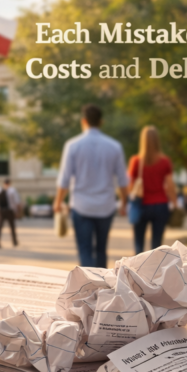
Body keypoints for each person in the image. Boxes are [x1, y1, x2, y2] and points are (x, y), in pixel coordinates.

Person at [54, 105, 129, 268]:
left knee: (85, 250)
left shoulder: (72, 145)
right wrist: (124, 202)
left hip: (81, 206)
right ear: (101, 122)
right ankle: (102, 288)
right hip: (106, 206)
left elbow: (64, 178)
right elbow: (123, 180)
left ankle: (88, 287)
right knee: (102, 250)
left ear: (83, 121)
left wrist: (58, 201)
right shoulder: (115, 146)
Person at [127, 126, 175, 254]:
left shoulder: (136, 161)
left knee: (138, 244)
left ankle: (137, 272)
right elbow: (170, 185)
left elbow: (130, 186)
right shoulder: (165, 161)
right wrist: (175, 204)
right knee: (157, 245)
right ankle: (155, 273)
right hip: (160, 205)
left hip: (141, 205)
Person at [0, 178, 19, 248]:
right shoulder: (12, 190)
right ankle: (14, 241)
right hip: (9, 211)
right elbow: (16, 202)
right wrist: (16, 211)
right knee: (12, 227)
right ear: (9, 183)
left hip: (0, 211)